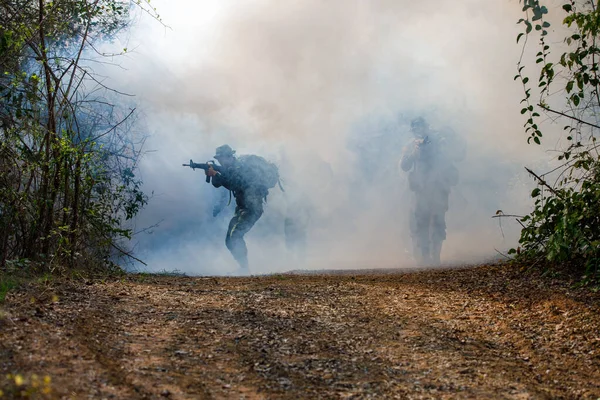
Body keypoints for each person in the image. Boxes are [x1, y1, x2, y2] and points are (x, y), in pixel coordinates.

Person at [205, 144, 275, 273]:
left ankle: (244, 269)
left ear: (230, 156)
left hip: (252, 208)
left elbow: (234, 184)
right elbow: (217, 184)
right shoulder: (229, 169)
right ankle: (243, 267)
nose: (220, 161)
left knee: (236, 236)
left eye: (222, 158)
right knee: (229, 240)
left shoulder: (240, 168)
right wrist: (212, 174)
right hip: (242, 208)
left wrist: (216, 174)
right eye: (218, 159)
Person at [400, 117, 460, 266]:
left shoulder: (439, 142)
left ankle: (436, 257)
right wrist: (414, 153)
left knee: (438, 222)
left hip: (438, 189)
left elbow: (450, 159)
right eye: (415, 129)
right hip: (420, 191)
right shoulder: (411, 145)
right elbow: (404, 166)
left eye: (421, 127)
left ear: (427, 127)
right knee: (421, 224)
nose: (418, 131)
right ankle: (425, 257)